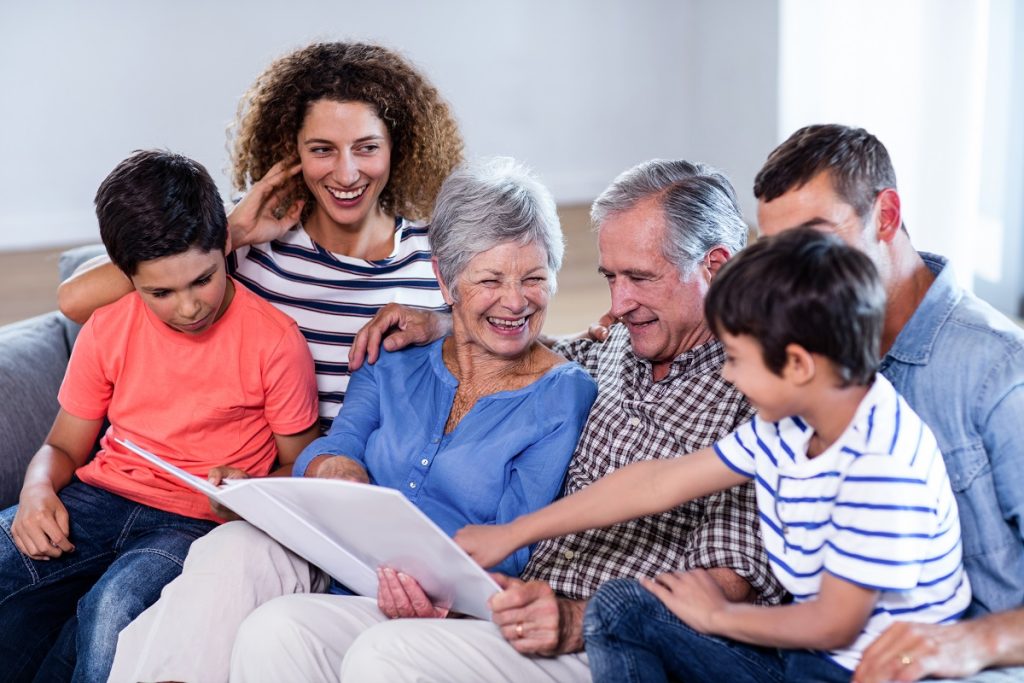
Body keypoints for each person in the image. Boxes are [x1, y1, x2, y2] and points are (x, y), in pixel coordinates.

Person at [107, 157, 598, 682]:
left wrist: (431, 573)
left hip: (450, 607)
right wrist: (333, 466)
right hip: (340, 562)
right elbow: (332, 446)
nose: (515, 301)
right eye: (491, 279)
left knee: (278, 629)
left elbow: (514, 543)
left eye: (534, 279)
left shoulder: (563, 394)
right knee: (231, 547)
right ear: (445, 280)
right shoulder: (394, 354)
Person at [302, 159, 783, 681]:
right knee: (289, 630)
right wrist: (445, 317)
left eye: (640, 278)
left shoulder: (761, 393)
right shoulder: (618, 346)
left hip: (606, 641)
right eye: (611, 278)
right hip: (518, 610)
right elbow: (526, 348)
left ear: (716, 265)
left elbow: (724, 584)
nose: (619, 303)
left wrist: (576, 620)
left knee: (388, 654)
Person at [460, 227, 971, 682]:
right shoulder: (795, 421)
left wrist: (718, 618)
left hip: (855, 666)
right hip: (800, 651)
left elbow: (836, 622)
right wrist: (512, 534)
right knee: (619, 606)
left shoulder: (879, 466)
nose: (726, 375)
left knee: (630, 613)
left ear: (795, 364)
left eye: (735, 359)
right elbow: (655, 483)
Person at [0, 150, 320, 683]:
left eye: (202, 280)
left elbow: (302, 464)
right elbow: (62, 447)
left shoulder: (274, 341)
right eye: (161, 292)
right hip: (100, 497)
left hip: (192, 522)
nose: (189, 307)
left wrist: (251, 489)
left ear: (226, 248)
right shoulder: (110, 325)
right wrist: (36, 492)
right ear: (128, 278)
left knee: (111, 613)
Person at [57, 41, 464, 431]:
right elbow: (74, 301)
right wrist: (229, 232)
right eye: (322, 150)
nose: (346, 173)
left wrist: (440, 325)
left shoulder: (436, 250)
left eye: (367, 148)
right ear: (293, 151)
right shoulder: (245, 241)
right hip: (267, 480)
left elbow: (519, 332)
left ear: (398, 147)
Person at [752, 124, 1024, 683]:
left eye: (816, 240)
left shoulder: (996, 370)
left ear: (887, 215)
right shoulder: (807, 354)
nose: (794, 277)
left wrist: (976, 641)